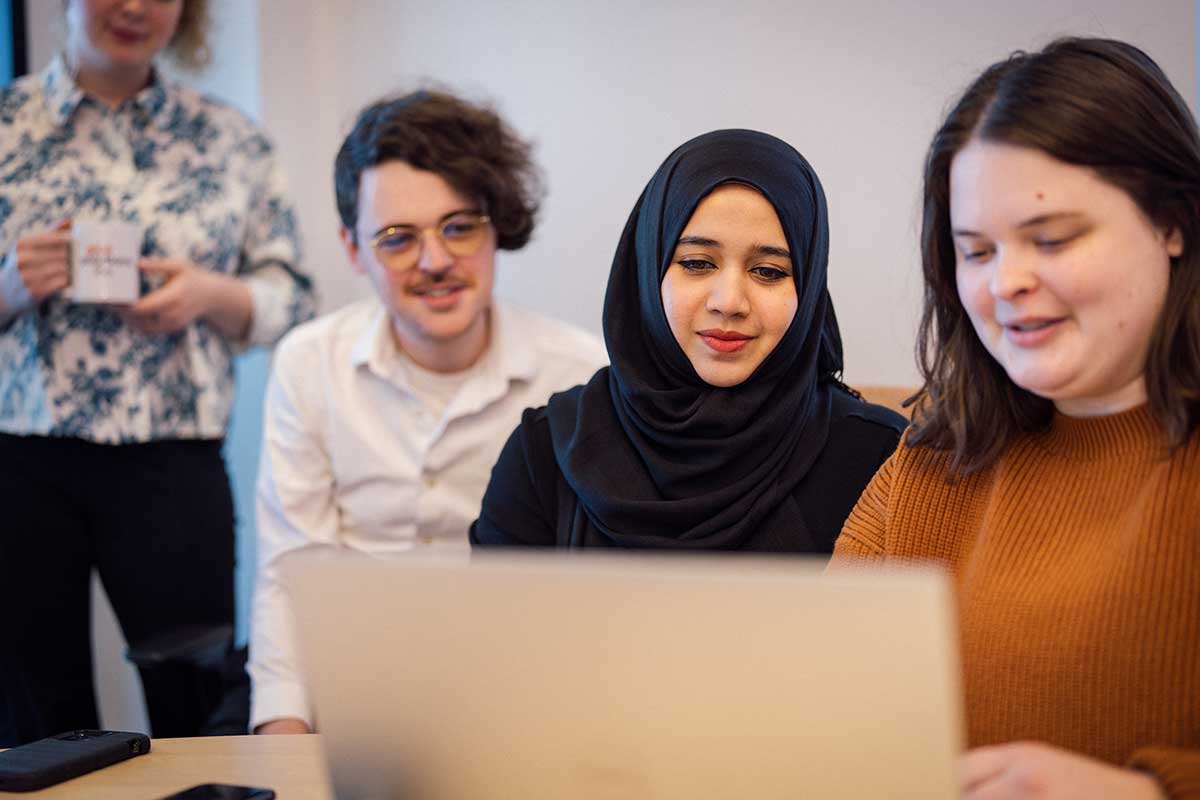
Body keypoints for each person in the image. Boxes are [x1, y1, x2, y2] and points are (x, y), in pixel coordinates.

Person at [831, 37, 1200, 799]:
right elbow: (819, 701)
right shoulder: (928, 466)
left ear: (1174, 225)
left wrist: (1148, 794)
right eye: (977, 251)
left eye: (1053, 239)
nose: (1009, 283)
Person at [0, 0, 315, 746]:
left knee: (200, 698)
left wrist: (212, 294)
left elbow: (295, 298)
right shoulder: (8, 125)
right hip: (21, 461)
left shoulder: (232, 138)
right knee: (36, 713)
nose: (135, 6)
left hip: (174, 460)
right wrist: (9, 284)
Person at [248, 90, 608, 735]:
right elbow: (287, 578)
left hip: (520, 710)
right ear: (354, 250)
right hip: (351, 708)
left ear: (496, 226)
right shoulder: (309, 364)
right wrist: (284, 740)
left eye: (459, 226)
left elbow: (596, 592)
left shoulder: (580, 374)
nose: (436, 261)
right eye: (396, 239)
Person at [471, 129, 906, 552]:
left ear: (809, 289)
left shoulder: (879, 459)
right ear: (648, 269)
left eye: (768, 271)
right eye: (697, 263)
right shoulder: (546, 454)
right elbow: (490, 624)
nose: (729, 302)